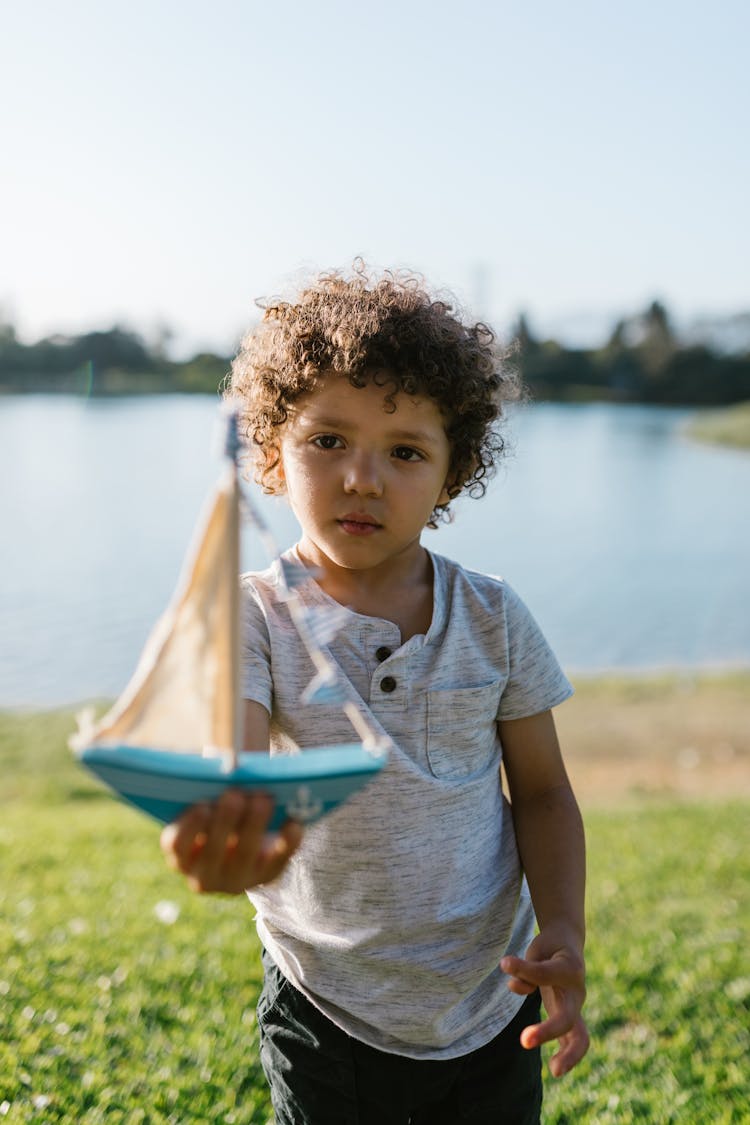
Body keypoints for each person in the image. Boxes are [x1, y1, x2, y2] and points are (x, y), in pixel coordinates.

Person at [161, 264, 589, 1124]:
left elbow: (542, 790)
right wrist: (228, 819)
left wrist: (566, 930)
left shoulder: (493, 614)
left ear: (451, 471)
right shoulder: (255, 615)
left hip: (489, 997)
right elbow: (235, 759)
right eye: (328, 440)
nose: (363, 478)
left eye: (404, 451)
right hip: (326, 1004)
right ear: (273, 448)